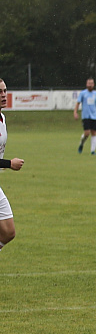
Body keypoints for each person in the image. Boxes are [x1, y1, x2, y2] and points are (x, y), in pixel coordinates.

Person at [0, 79, 25, 252]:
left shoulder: (2, 118)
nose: (3, 95)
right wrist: (9, 163)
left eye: (4, 91)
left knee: (9, 232)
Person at [73, 78, 96, 155]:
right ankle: (81, 144)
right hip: (86, 116)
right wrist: (75, 112)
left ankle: (93, 151)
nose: (90, 85)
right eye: (89, 83)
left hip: (94, 116)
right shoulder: (83, 93)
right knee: (87, 133)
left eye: (91, 83)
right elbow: (78, 103)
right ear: (86, 84)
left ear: (94, 84)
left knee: (94, 133)